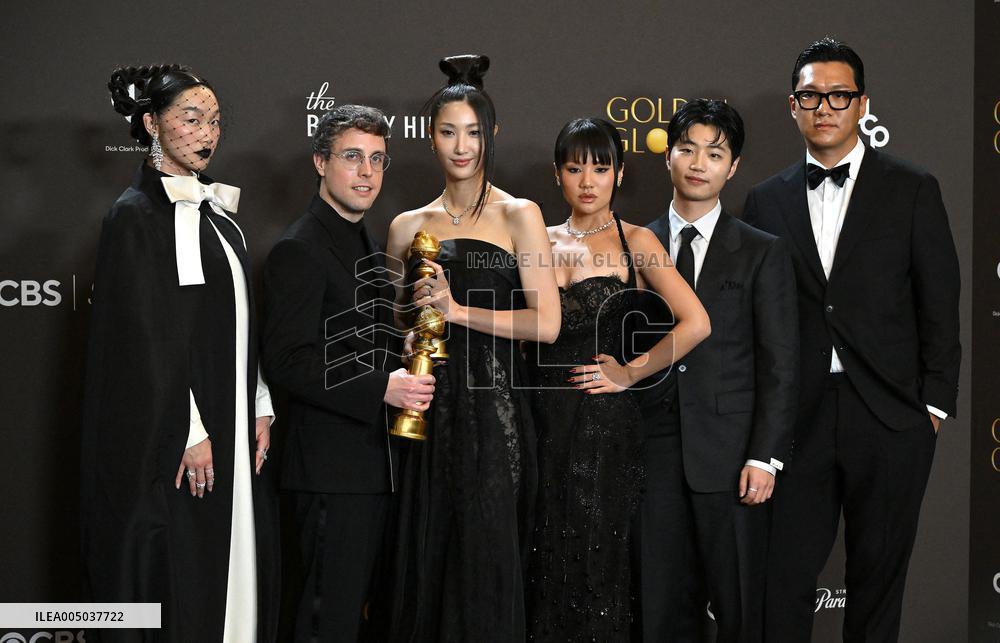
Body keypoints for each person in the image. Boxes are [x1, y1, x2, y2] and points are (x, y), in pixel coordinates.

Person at [742, 37, 961, 642]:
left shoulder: (913, 189)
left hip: (890, 418)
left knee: (877, 586)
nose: (825, 107)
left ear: (864, 103)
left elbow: (940, 305)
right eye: (811, 96)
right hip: (798, 419)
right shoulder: (766, 200)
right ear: (793, 106)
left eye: (839, 95)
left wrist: (933, 408)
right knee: (781, 582)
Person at [81, 64, 279, 642]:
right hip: (183, 433)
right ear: (151, 123)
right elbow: (141, 340)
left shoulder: (220, 215)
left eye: (214, 120)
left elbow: (241, 320)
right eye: (190, 118)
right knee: (187, 571)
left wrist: (261, 400)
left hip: (237, 420)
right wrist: (189, 430)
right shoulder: (132, 217)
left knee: (236, 559)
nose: (206, 132)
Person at [381, 54, 561, 642]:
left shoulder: (520, 215)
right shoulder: (407, 226)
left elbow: (547, 323)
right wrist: (411, 332)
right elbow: (390, 326)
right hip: (425, 415)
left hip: (498, 413)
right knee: (424, 556)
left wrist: (459, 312)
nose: (462, 146)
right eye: (448, 131)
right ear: (429, 137)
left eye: (474, 132)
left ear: (492, 135)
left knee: (487, 562)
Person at [525, 117, 711, 642]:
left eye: (601, 168)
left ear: (620, 174)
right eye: (575, 167)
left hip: (604, 430)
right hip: (540, 423)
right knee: (541, 556)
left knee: (597, 561)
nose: (588, 180)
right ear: (557, 175)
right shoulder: (535, 238)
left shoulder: (638, 241)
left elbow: (696, 322)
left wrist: (630, 373)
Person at [261, 104, 434, 642]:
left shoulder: (363, 239)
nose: (367, 173)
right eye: (353, 158)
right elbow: (289, 361)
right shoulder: (300, 247)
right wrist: (384, 385)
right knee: (324, 622)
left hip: (372, 469)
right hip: (329, 475)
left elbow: (351, 338)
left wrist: (401, 346)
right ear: (320, 162)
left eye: (378, 160)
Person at [634, 99, 798, 642]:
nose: (697, 163)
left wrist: (764, 456)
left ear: (733, 167)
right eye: (686, 149)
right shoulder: (637, 243)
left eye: (714, 153)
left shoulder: (761, 252)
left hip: (731, 462)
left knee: (739, 611)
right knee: (658, 612)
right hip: (651, 460)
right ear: (668, 158)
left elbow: (780, 363)